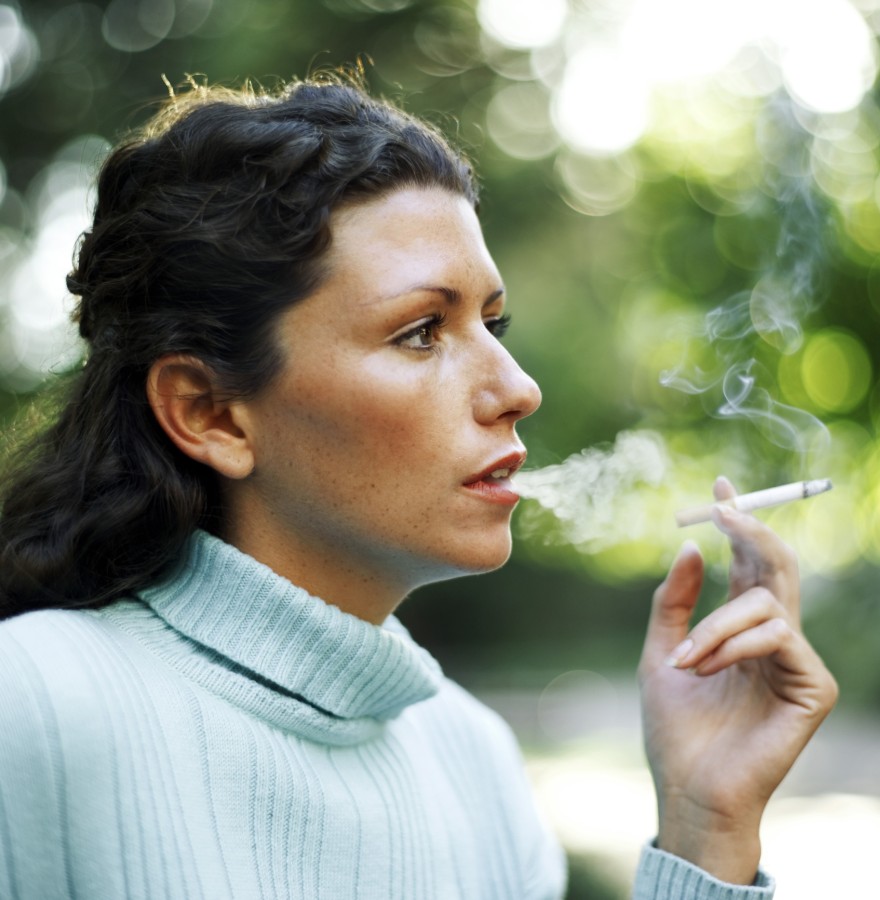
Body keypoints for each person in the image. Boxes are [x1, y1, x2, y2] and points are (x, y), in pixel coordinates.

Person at [0, 72, 836, 899]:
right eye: (421, 332)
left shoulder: (476, 765)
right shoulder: (32, 707)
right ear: (211, 414)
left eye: (492, 323)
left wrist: (704, 826)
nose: (519, 388)